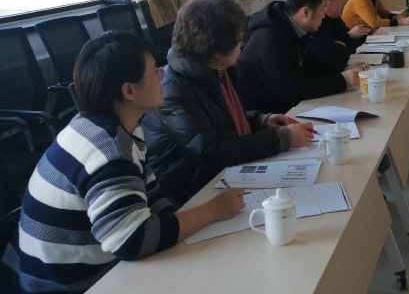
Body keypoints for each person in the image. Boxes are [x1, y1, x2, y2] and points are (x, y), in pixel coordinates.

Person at [2, 31, 244, 293]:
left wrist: (187, 219)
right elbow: (132, 240)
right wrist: (210, 212)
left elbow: (150, 195)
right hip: (68, 285)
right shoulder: (109, 152)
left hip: (83, 265)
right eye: (155, 72)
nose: (162, 75)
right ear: (129, 90)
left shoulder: (106, 125)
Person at [141, 0, 314, 204]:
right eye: (239, 38)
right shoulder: (173, 91)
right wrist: (283, 139)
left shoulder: (215, 69)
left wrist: (260, 120)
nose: (243, 43)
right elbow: (212, 150)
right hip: (192, 190)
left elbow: (220, 120)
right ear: (214, 48)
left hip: (225, 174)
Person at [236, 0, 362, 114]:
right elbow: (293, 91)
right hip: (265, 114)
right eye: (322, 9)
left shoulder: (293, 27)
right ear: (305, 12)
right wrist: (343, 80)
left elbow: (313, 65)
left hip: (285, 106)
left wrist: (344, 69)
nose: (324, 16)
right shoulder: (270, 41)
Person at [303, 0, 371, 75]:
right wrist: (341, 47)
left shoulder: (335, 18)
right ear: (325, 0)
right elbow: (334, 58)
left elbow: (351, 45)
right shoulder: (314, 26)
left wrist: (341, 47)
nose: (343, 1)